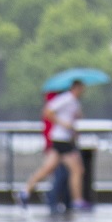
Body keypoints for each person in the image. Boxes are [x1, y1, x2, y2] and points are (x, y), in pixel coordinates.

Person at [22, 79, 88, 211]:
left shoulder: (74, 102)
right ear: (76, 88)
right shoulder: (66, 98)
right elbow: (47, 111)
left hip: (64, 139)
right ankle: (77, 200)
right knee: (77, 170)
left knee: (47, 169)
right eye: (82, 88)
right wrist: (62, 123)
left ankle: (25, 191)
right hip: (61, 139)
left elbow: (73, 119)